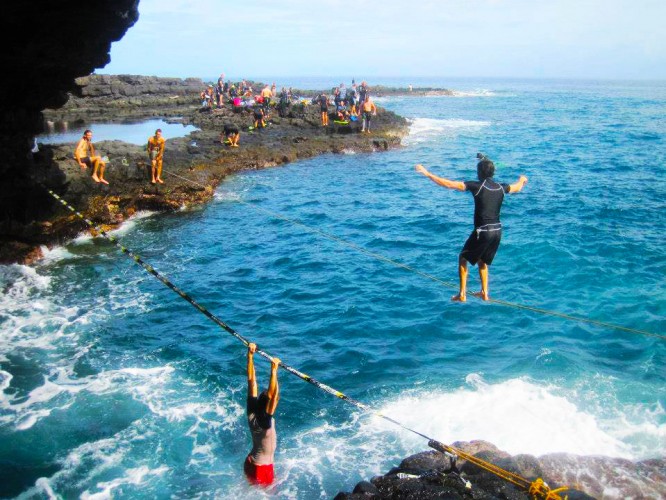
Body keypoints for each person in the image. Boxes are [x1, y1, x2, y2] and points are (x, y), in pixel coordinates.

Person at [415, 156, 528, 302]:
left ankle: (462, 294)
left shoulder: (477, 186)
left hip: (484, 231)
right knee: (482, 261)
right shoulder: (501, 187)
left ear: (480, 173)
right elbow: (517, 187)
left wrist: (427, 173)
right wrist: (522, 180)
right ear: (492, 173)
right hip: (497, 231)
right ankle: (484, 292)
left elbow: (449, 184)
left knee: (462, 258)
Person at [244, 343, 280, 486]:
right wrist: (274, 370)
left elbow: (251, 381)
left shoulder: (252, 411)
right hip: (262, 469)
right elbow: (272, 396)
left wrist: (250, 355)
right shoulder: (265, 421)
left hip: (251, 463)